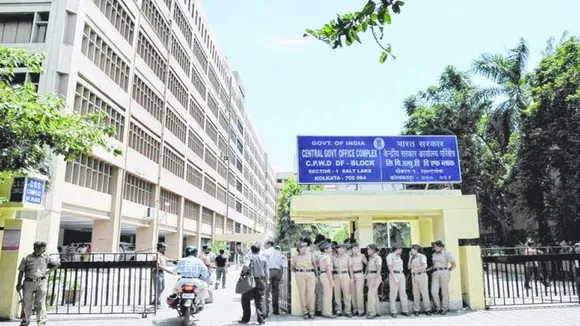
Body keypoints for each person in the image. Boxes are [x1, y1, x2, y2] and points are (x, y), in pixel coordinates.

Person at [16, 241, 61, 326]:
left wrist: (48, 272)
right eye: (42, 248)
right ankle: (25, 320)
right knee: (26, 303)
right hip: (28, 282)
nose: (44, 250)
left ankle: (41, 322)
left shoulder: (46, 257)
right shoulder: (27, 258)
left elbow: (58, 264)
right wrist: (19, 283)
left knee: (40, 303)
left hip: (41, 282)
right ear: (36, 248)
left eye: (44, 248)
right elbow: (21, 272)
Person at [239, 244, 269, 325]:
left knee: (245, 299)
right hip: (261, 280)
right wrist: (267, 280)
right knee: (260, 300)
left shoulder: (249, 258)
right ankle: (261, 320)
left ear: (251, 250)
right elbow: (266, 271)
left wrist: (242, 275)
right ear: (259, 250)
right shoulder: (264, 258)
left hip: (249, 281)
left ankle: (246, 319)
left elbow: (245, 267)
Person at [291, 242, 317, 319]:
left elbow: (315, 265)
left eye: (306, 247)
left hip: (311, 274)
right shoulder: (295, 257)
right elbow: (292, 267)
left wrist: (316, 276)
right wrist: (299, 272)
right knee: (302, 293)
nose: (305, 249)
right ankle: (305, 311)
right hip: (300, 275)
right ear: (299, 249)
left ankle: (311, 311)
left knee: (311, 293)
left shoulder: (310, 255)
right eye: (303, 248)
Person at [430, 240, 456, 315]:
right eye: (435, 247)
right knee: (433, 291)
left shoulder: (446, 253)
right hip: (435, 273)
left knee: (444, 291)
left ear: (441, 246)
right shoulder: (433, 255)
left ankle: (444, 308)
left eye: (437, 247)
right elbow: (433, 264)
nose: (436, 248)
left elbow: (453, 264)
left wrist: (448, 271)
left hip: (444, 272)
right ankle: (438, 308)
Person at [262, 240, 283, 317]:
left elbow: (263, 262)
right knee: (275, 291)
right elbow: (281, 264)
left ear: (269, 244)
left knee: (266, 291)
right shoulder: (278, 253)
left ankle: (266, 312)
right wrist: (281, 274)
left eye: (265, 244)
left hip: (269, 271)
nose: (264, 245)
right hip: (277, 271)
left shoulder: (266, 251)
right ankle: (276, 310)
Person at [408, 244, 431, 316]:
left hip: (422, 275)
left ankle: (427, 309)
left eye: (412, 249)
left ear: (416, 250)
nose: (411, 250)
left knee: (424, 293)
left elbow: (425, 266)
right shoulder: (412, 257)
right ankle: (416, 309)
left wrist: (415, 269)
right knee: (416, 293)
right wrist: (410, 258)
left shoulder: (421, 256)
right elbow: (409, 267)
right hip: (414, 276)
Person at [387, 244, 408, 317]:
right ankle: (393, 311)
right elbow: (390, 267)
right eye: (401, 249)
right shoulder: (390, 256)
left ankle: (404, 310)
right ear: (398, 249)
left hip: (401, 274)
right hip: (394, 275)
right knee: (393, 294)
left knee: (403, 293)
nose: (402, 251)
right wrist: (395, 278)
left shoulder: (399, 256)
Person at [332, 243, 351, 317]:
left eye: (343, 248)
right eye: (339, 248)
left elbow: (350, 268)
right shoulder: (333, 258)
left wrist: (351, 278)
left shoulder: (347, 257)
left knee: (346, 293)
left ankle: (348, 310)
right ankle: (338, 310)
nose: (341, 250)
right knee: (337, 293)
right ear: (336, 249)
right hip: (336, 275)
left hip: (345, 275)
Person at [348, 243, 367, 317]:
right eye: (353, 248)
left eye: (356, 248)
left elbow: (367, 264)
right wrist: (351, 277)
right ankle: (355, 309)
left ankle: (361, 310)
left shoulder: (362, 256)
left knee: (359, 293)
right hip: (352, 275)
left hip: (360, 274)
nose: (355, 250)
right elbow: (349, 267)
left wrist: (365, 273)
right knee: (353, 293)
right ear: (351, 250)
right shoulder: (349, 257)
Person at [318, 242, 336, 318]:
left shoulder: (322, 256)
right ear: (325, 250)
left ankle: (323, 311)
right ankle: (327, 312)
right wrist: (331, 281)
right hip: (326, 275)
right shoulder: (327, 257)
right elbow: (328, 269)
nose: (331, 249)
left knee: (324, 294)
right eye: (329, 248)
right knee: (328, 295)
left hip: (322, 275)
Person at [366, 243, 382, 319]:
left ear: (373, 250)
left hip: (375, 276)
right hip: (370, 276)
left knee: (370, 294)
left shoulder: (377, 258)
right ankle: (377, 311)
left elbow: (379, 269)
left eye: (369, 249)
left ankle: (372, 312)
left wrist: (376, 280)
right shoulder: (370, 258)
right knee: (374, 294)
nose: (367, 251)